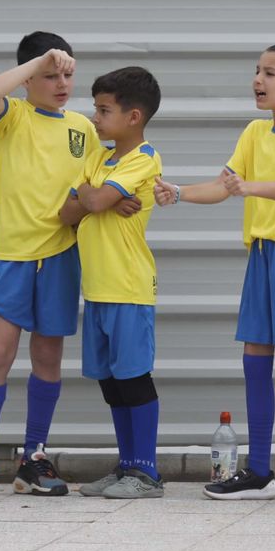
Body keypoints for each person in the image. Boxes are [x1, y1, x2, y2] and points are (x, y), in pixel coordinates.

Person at [0, 33, 137, 498]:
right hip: (13, 256)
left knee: (47, 358)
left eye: (67, 74)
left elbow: (98, 181)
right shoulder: (12, 116)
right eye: (50, 75)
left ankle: (34, 457)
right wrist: (38, 61)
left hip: (61, 257)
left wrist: (115, 202)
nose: (62, 83)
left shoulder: (83, 129)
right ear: (28, 78)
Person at [154, 44, 275, 504]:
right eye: (256, 71)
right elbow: (223, 185)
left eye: (269, 72)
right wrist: (177, 192)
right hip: (261, 252)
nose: (258, 79)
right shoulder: (254, 133)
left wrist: (248, 187)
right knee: (255, 360)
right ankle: (259, 472)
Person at [57, 66, 166, 499]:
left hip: (128, 285)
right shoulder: (100, 159)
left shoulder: (145, 158)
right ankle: (126, 465)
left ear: (133, 116)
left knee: (134, 377)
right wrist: (96, 199)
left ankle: (147, 472)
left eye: (104, 110)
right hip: (97, 288)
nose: (95, 118)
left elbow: (91, 198)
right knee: (111, 381)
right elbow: (67, 212)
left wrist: (95, 197)